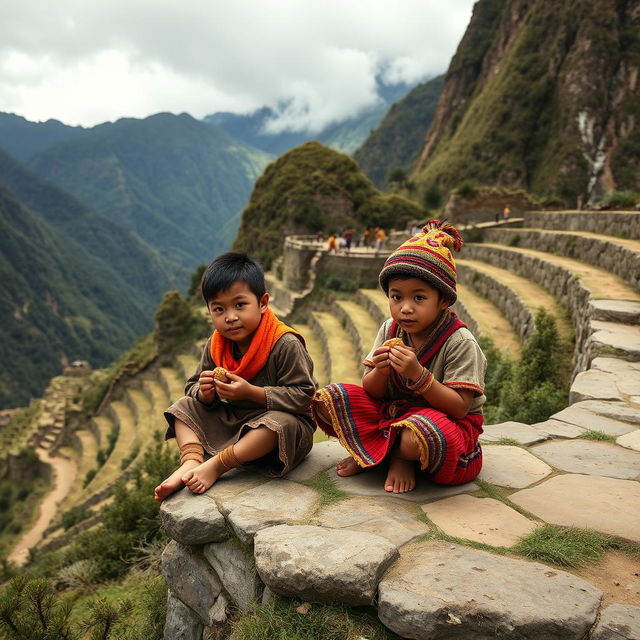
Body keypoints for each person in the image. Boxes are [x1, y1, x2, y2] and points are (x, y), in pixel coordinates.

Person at [312, 221, 486, 494]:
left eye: (419, 298)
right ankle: (376, 454)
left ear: (443, 301)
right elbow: (372, 391)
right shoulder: (390, 329)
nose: (405, 308)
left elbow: (460, 408)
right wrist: (380, 371)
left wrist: (418, 375)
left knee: (415, 437)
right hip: (393, 415)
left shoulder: (459, 342)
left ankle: (399, 457)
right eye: (396, 297)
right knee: (328, 400)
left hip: (444, 425)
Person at [154, 252, 316, 501]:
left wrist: (252, 393)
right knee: (183, 406)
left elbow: (306, 396)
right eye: (219, 309)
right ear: (209, 311)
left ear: (262, 303)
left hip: (279, 434)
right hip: (237, 423)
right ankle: (191, 460)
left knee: (277, 423)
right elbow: (192, 385)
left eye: (240, 305)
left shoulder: (284, 343)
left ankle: (218, 465)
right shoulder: (216, 344)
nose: (230, 317)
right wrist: (204, 393)